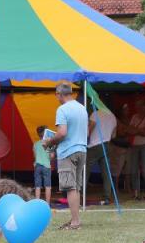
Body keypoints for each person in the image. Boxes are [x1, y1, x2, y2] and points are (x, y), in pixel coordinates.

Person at [43, 82, 88, 229]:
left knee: (70, 188)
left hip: (68, 152)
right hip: (82, 150)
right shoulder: (82, 108)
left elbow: (62, 132)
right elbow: (86, 132)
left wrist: (49, 141)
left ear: (59, 93)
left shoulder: (62, 109)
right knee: (76, 187)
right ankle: (75, 219)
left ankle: (75, 222)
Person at [86, 105, 118, 204]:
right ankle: (107, 197)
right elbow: (114, 135)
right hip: (107, 145)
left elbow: (88, 131)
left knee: (85, 170)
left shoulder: (96, 113)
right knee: (106, 173)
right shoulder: (113, 116)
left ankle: (80, 193)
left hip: (94, 146)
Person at [129, 97, 145, 201]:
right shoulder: (134, 116)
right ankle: (136, 192)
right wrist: (139, 130)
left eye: (139, 106)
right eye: (136, 106)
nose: (137, 108)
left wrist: (135, 130)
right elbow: (129, 130)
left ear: (144, 107)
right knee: (134, 169)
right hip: (135, 145)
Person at [33, 125, 53, 203]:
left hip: (37, 166)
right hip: (46, 166)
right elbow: (51, 156)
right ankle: (47, 204)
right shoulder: (49, 144)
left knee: (37, 186)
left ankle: (37, 203)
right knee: (48, 186)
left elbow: (35, 157)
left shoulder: (35, 144)